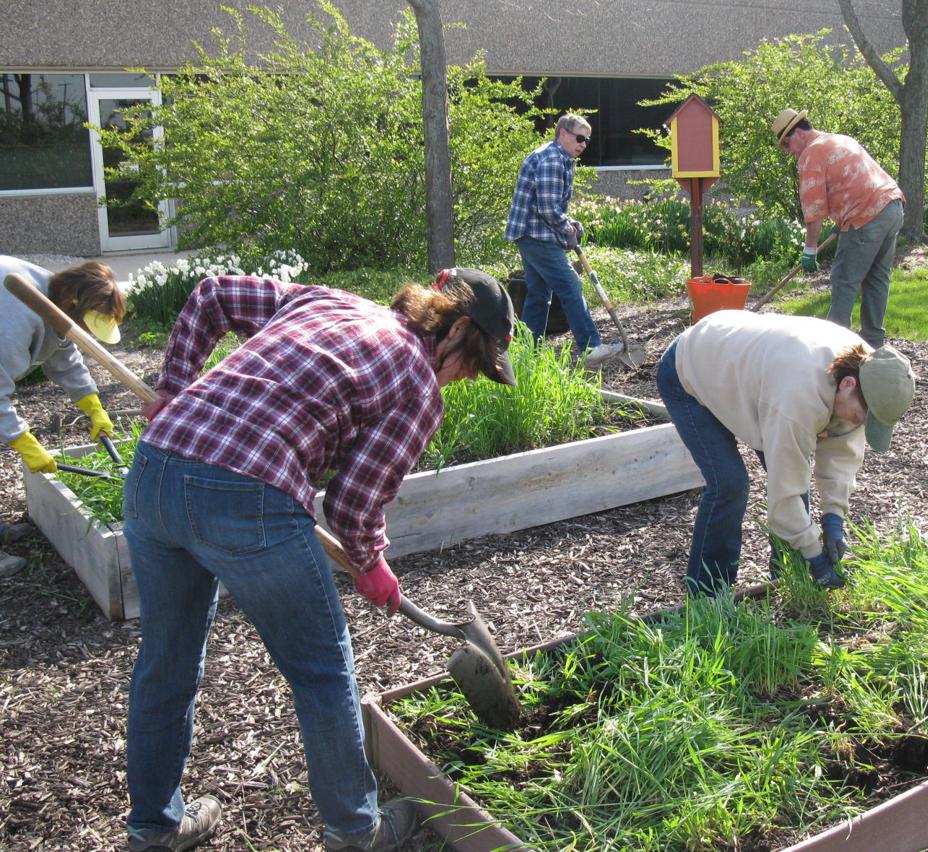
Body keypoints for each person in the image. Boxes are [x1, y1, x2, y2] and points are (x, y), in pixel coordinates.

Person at [122, 267, 517, 852]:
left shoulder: (330, 302)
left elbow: (211, 294)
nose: (462, 379)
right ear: (457, 328)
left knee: (167, 661)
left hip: (156, 471)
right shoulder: (417, 381)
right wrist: (372, 563)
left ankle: (153, 828)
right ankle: (357, 831)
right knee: (323, 673)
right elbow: (353, 503)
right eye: (473, 363)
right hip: (246, 496)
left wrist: (175, 387)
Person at [656, 309, 915, 596]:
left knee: (793, 471)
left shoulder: (874, 375)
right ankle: (707, 597)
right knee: (730, 484)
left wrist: (834, 519)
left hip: (752, 377)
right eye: (862, 417)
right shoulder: (798, 396)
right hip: (693, 367)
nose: (861, 424)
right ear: (848, 384)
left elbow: (841, 456)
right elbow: (786, 489)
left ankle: (786, 577)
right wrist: (814, 554)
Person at [1, 255, 125, 579]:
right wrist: (24, 442)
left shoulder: (52, 297)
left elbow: (65, 357)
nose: (85, 333)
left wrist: (93, 407)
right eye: (86, 325)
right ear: (73, 304)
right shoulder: (15, 314)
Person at [772, 108, 906, 349]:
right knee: (877, 279)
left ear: (799, 132)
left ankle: (835, 350)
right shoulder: (840, 139)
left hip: (865, 215)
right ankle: (873, 346)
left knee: (844, 280)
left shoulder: (811, 154)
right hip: (892, 207)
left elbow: (813, 210)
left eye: (787, 142)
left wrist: (810, 249)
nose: (789, 151)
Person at [504, 113, 622, 366]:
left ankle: (527, 351)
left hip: (531, 234)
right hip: (536, 235)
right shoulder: (552, 159)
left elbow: (550, 205)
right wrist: (565, 227)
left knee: (538, 292)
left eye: (587, 140)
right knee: (570, 285)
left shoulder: (559, 157)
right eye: (579, 138)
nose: (583, 144)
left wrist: (570, 223)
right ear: (563, 133)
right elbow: (547, 207)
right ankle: (591, 346)